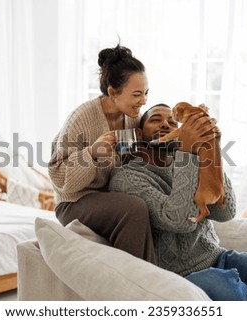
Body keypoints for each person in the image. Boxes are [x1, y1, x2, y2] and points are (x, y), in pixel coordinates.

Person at [109, 103, 247, 301]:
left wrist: (210, 148)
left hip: (218, 256)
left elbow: (226, 212)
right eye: (155, 119)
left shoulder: (192, 159)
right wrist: (187, 154)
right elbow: (179, 220)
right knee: (233, 294)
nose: (165, 124)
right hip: (178, 273)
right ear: (140, 133)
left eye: (172, 122)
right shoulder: (128, 177)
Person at [48, 44, 155, 263]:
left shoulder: (133, 117)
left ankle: (150, 279)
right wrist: (91, 153)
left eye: (145, 93)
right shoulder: (82, 117)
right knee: (133, 209)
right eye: (137, 94)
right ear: (113, 92)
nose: (143, 101)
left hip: (108, 196)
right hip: (75, 201)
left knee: (149, 205)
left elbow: (132, 161)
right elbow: (60, 178)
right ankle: (137, 285)